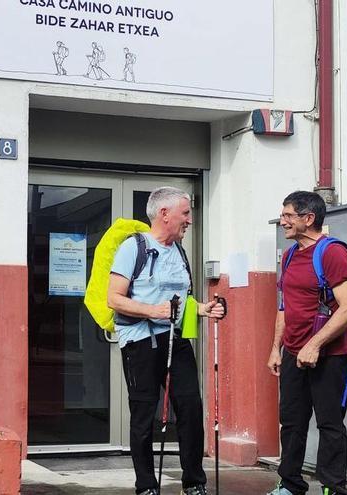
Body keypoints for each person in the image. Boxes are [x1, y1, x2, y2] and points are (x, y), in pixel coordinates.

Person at [107, 186, 224, 495]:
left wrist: (204, 309)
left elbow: (181, 302)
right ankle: (146, 485)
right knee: (144, 414)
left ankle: (194, 483)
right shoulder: (134, 248)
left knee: (189, 409)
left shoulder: (179, 251)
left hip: (176, 339)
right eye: (185, 213)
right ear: (164, 214)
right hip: (141, 342)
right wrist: (151, 310)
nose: (189, 220)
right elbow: (114, 299)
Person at [266, 191, 347, 495]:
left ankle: (333, 488)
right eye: (282, 215)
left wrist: (315, 344)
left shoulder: (332, 253)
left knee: (330, 423)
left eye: (288, 216)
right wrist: (275, 348)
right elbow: (284, 306)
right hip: (293, 352)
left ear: (309, 218)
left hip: (330, 355)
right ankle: (290, 484)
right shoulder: (290, 254)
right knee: (291, 422)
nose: (283, 221)